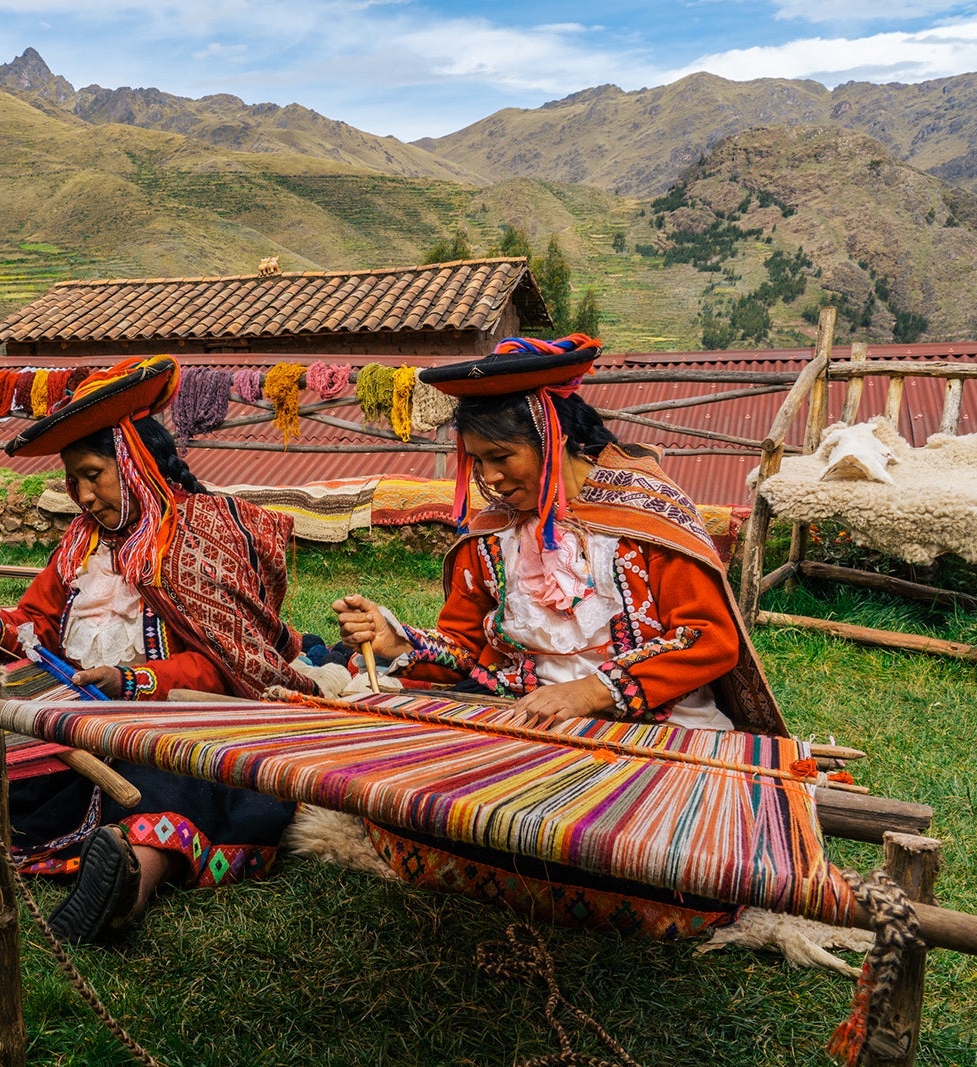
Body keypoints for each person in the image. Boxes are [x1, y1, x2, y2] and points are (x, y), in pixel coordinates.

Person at [330, 334, 785, 936]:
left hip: (657, 729)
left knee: (661, 851)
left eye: (501, 457)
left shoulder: (647, 515)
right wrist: (397, 642)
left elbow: (709, 639)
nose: (489, 479)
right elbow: (465, 651)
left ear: (552, 438)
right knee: (403, 789)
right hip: (530, 723)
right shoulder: (491, 537)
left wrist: (589, 695)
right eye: (477, 463)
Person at [0, 355, 319, 943]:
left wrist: (133, 681)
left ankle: (128, 880)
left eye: (93, 474)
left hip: (182, 721)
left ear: (135, 464)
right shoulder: (81, 543)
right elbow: (36, 622)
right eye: (72, 480)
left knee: (176, 782)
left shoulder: (203, 534)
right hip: (83, 719)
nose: (82, 494)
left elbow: (228, 663)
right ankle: (114, 856)